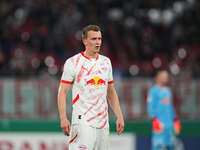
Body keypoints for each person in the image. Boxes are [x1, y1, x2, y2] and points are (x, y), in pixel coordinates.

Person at [57, 25, 124, 150]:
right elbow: (62, 92)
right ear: (85, 41)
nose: (98, 42)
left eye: (99, 39)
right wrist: (63, 118)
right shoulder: (73, 62)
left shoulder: (106, 62)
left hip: (103, 123)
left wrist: (119, 115)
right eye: (94, 39)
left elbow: (110, 92)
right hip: (83, 121)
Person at [147, 69, 181, 150]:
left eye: (166, 76)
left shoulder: (168, 91)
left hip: (169, 125)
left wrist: (175, 120)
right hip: (160, 125)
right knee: (158, 146)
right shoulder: (153, 91)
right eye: (163, 76)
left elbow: (171, 107)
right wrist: (154, 120)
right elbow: (150, 107)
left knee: (171, 146)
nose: (166, 77)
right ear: (157, 77)